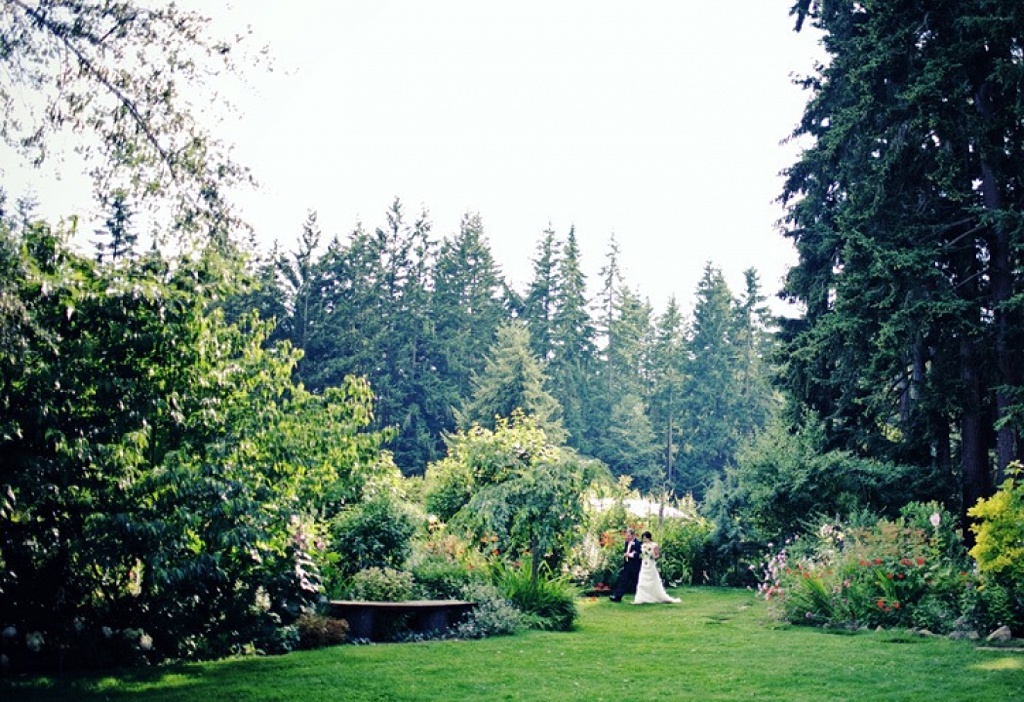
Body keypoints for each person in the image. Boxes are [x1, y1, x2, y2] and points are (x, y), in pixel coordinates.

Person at [633, 531, 680, 604]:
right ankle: (642, 598)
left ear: (649, 538)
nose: (644, 540)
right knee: (642, 581)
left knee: (652, 581)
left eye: (645, 538)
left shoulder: (654, 545)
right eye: (643, 538)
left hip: (651, 564)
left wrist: (652, 555)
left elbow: (657, 555)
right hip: (644, 564)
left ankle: (654, 596)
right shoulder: (643, 545)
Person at [608, 528, 642, 602]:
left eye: (628, 535)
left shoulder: (638, 543)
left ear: (633, 535)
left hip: (635, 566)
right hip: (627, 565)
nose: (627, 537)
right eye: (626, 535)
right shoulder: (626, 543)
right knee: (623, 580)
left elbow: (638, 555)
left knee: (637, 582)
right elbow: (626, 551)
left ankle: (642, 596)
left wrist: (629, 555)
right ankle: (617, 597)